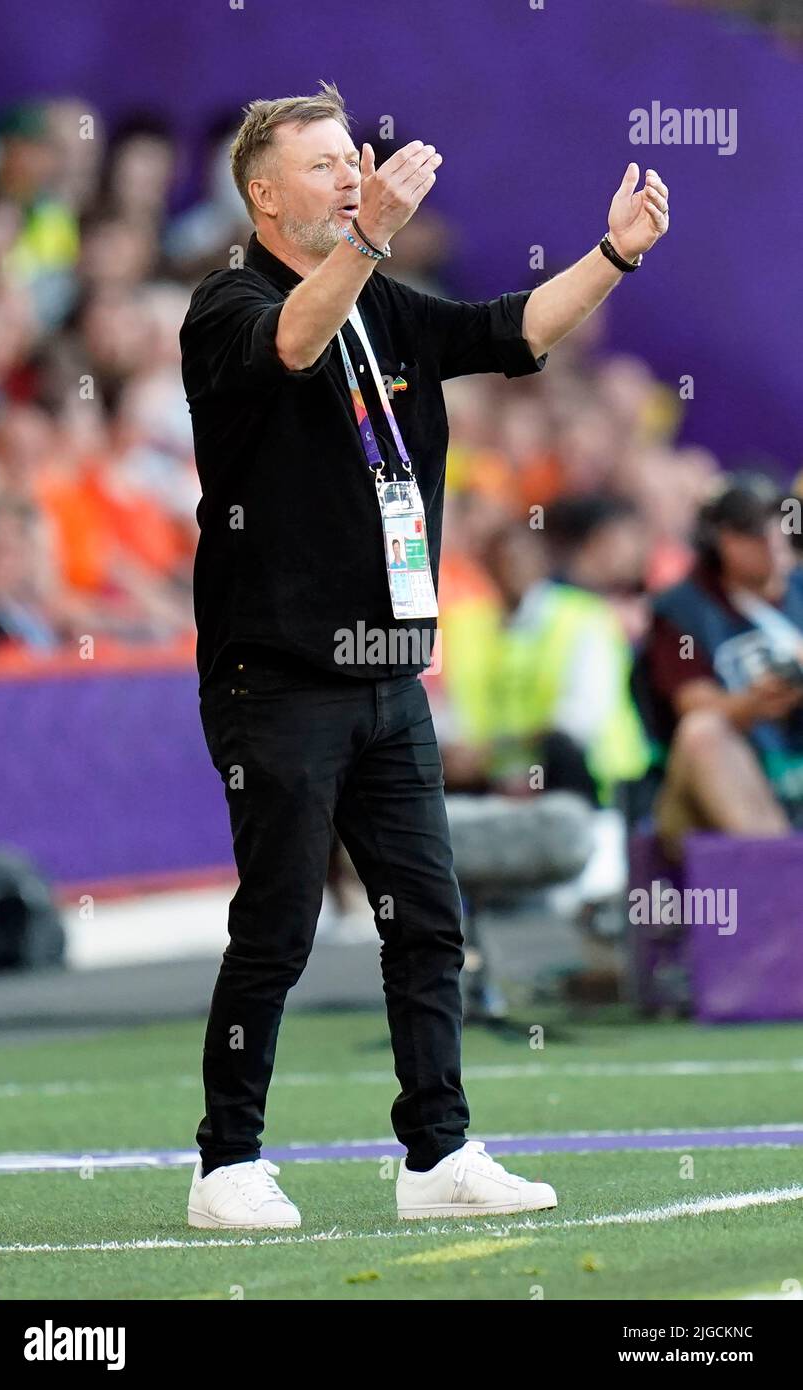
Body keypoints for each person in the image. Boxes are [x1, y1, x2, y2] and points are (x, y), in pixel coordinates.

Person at [179, 80, 670, 1230]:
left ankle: (436, 1152)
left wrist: (615, 253)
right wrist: (366, 238)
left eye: (354, 159)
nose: (352, 175)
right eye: (323, 165)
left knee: (429, 919)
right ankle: (226, 1162)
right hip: (279, 678)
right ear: (263, 193)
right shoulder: (227, 304)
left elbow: (518, 329)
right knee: (281, 923)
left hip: (389, 674)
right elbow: (291, 347)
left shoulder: (383, 305)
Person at [638, 476, 803, 856]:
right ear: (723, 540)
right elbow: (694, 704)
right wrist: (754, 702)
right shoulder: (682, 611)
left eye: (778, 524)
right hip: (715, 785)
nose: (772, 541)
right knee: (704, 733)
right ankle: (782, 875)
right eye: (754, 532)